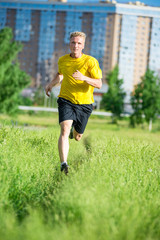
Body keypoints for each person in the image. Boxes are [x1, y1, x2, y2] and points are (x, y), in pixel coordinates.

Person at [45, 31, 102, 175]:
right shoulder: (63, 60)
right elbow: (60, 74)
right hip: (66, 100)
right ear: (69, 43)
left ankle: (74, 131)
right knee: (64, 130)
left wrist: (84, 78)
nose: (75, 46)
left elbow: (99, 83)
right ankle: (64, 164)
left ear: (83, 45)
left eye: (79, 43)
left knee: (77, 137)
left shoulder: (90, 61)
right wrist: (50, 85)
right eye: (73, 42)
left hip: (85, 103)